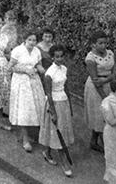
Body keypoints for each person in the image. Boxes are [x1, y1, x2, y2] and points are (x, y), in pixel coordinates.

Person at [37, 45, 74, 176]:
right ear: (52, 57)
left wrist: (70, 105)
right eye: (56, 56)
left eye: (61, 56)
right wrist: (52, 111)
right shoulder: (49, 73)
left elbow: (66, 87)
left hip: (63, 102)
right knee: (57, 130)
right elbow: (49, 93)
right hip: (54, 103)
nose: (59, 59)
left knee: (62, 129)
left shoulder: (64, 69)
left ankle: (46, 152)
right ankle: (63, 161)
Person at [8, 32, 46, 152]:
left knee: (36, 108)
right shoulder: (18, 51)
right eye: (29, 40)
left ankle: (34, 135)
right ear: (25, 40)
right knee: (23, 110)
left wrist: (42, 69)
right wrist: (24, 69)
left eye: (34, 40)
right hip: (21, 83)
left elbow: (38, 64)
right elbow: (10, 67)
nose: (32, 42)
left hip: (34, 82)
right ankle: (25, 139)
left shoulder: (36, 51)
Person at [84, 35, 116, 152]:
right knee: (100, 115)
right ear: (94, 44)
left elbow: (114, 73)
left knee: (105, 115)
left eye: (105, 43)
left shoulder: (111, 53)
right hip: (95, 89)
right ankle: (106, 146)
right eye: (100, 43)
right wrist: (104, 97)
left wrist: (106, 80)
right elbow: (96, 81)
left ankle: (93, 141)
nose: (104, 46)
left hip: (108, 85)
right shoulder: (90, 58)